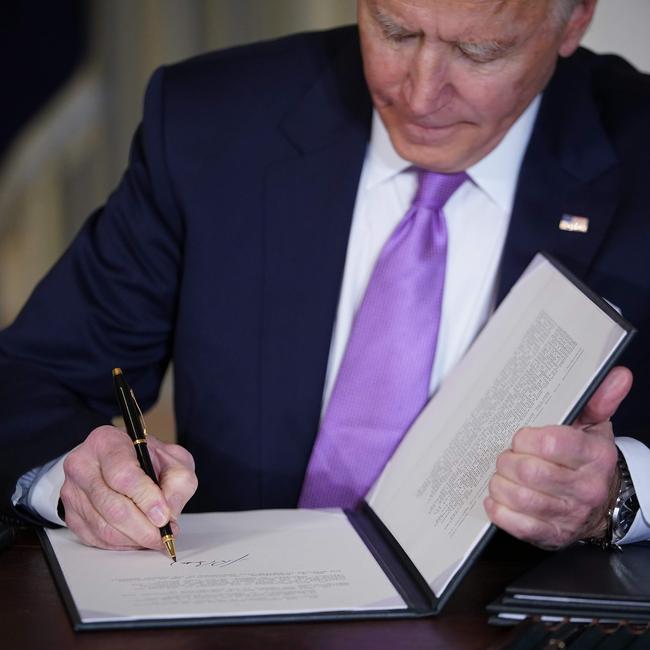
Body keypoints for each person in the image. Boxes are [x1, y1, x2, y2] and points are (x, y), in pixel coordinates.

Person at [1, 0, 649, 556]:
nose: (420, 92)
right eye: (395, 31)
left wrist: (619, 494)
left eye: (479, 53)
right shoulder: (214, 123)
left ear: (574, 20)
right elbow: (35, 380)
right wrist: (77, 475)